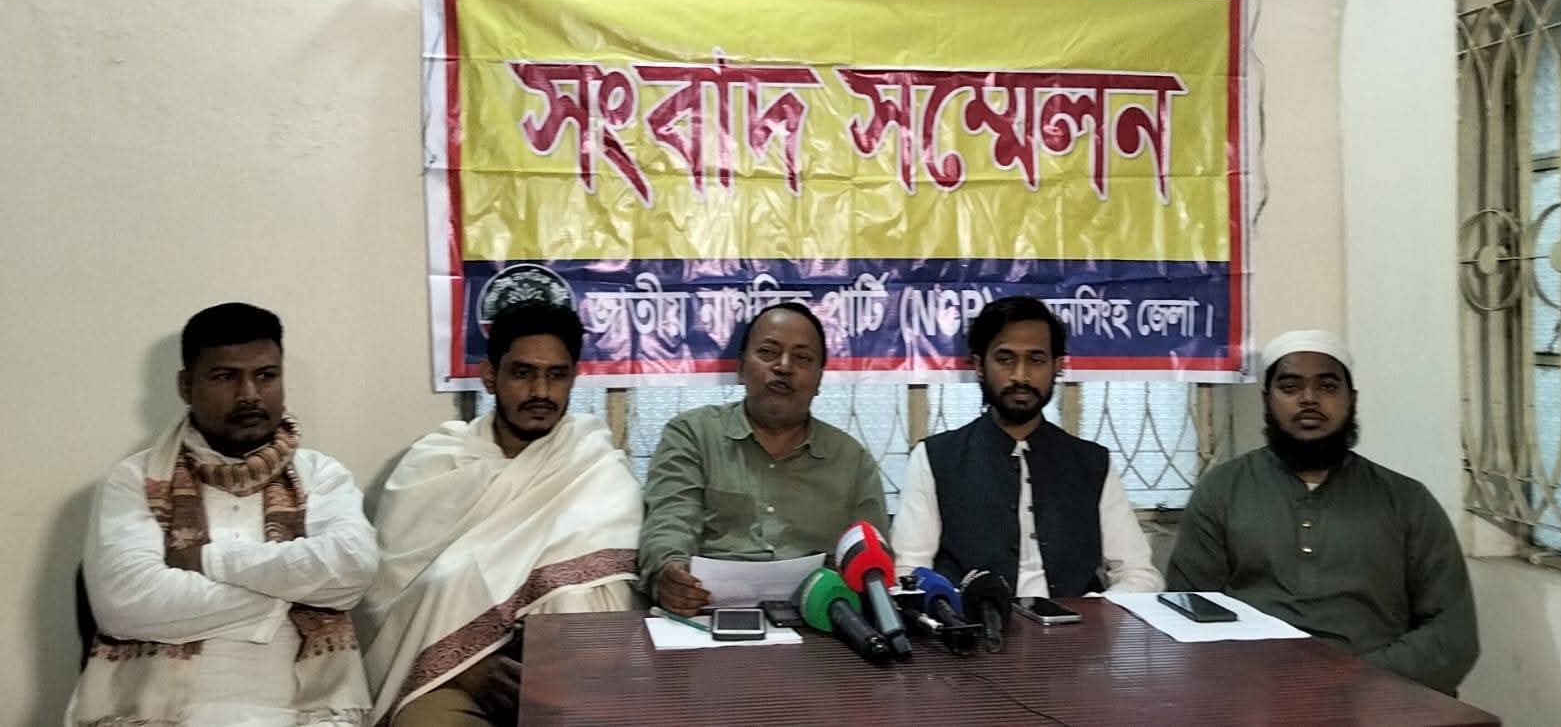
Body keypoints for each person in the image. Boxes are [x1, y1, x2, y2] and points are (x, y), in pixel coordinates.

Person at [67, 303, 376, 727]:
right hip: (156, 716)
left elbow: (352, 568)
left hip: (312, 714)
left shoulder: (320, 475)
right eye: (225, 376)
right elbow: (125, 603)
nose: (249, 394)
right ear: (186, 385)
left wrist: (207, 560)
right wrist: (292, 589)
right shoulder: (137, 479)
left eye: (266, 375)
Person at [363, 300, 641, 726]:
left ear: (574, 377)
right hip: (455, 675)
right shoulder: (434, 467)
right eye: (523, 373)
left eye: (556, 375)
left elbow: (607, 600)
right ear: (490, 376)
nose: (541, 392)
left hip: (575, 675)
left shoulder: (595, 467)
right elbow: (391, 599)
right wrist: (468, 666)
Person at [1166, 329, 1479, 694]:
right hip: (1255, 696)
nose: (1309, 399)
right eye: (1290, 387)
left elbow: (1452, 635)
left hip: (1378, 695)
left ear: (1352, 399)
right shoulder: (1222, 490)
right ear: (1267, 400)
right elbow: (1189, 610)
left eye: (1327, 387)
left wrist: (1354, 680)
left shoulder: (1407, 501)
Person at [893, 296, 1162, 597]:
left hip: (1076, 625)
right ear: (979, 366)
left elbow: (1139, 574)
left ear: (1057, 366)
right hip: (970, 624)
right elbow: (910, 573)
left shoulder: (1092, 462)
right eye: (1005, 359)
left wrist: (1094, 614)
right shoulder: (935, 459)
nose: (1020, 376)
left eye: (1036, 360)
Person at [640, 302, 889, 615]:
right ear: (740, 367)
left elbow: (872, 558)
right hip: (705, 616)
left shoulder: (851, 460)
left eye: (802, 358)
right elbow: (671, 520)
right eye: (768, 353)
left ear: (819, 379)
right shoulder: (693, 435)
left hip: (819, 622)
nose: (784, 367)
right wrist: (669, 572)